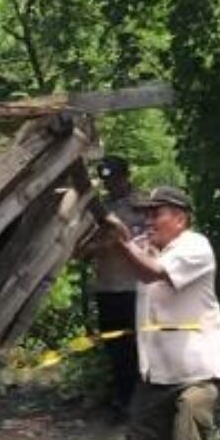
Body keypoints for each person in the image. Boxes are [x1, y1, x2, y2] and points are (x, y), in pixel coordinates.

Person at [108, 186, 220, 440]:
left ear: (180, 217)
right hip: (154, 372)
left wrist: (123, 243)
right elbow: (130, 259)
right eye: (144, 213)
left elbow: (153, 273)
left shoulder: (195, 246)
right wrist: (116, 239)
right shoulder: (149, 246)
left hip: (195, 372)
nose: (148, 220)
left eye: (156, 213)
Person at [80, 157, 146, 416]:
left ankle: (142, 400)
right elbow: (80, 249)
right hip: (108, 286)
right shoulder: (98, 210)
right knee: (115, 347)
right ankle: (122, 398)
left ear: (126, 176)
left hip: (138, 286)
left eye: (116, 178)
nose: (112, 185)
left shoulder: (144, 205)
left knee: (140, 345)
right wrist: (102, 246)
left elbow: (156, 240)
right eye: (107, 180)